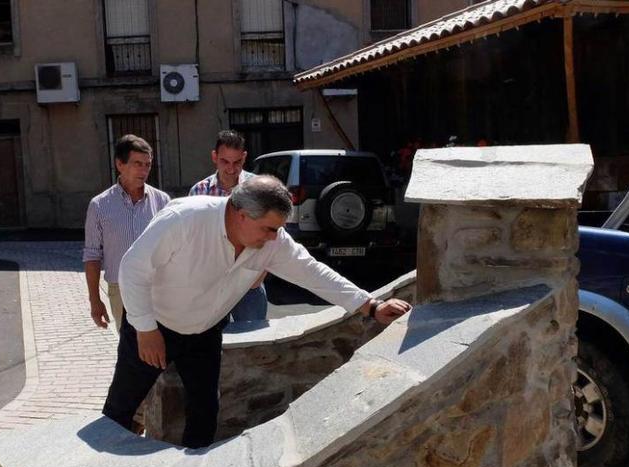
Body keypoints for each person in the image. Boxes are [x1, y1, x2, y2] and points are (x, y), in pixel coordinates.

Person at [104, 175, 412, 448]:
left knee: (205, 413)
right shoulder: (185, 219)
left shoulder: (270, 240)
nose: (273, 238)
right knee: (121, 407)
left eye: (277, 230)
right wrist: (145, 329)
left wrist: (370, 306)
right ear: (241, 215)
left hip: (204, 333)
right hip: (153, 326)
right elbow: (133, 268)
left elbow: (311, 272)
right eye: (268, 229)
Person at [84, 134, 171, 332]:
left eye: (147, 164)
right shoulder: (99, 206)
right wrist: (95, 300)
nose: (144, 170)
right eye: (137, 164)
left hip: (158, 289)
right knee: (130, 352)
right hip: (120, 291)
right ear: (120, 164)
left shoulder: (162, 201)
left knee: (164, 349)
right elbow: (92, 255)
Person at [189, 130, 266, 322]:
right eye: (225, 161)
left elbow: (272, 236)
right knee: (212, 348)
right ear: (214, 157)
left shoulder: (259, 190)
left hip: (249, 287)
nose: (231, 169)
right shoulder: (199, 191)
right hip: (211, 288)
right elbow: (191, 240)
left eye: (237, 162)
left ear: (245, 157)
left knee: (252, 346)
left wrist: (260, 276)